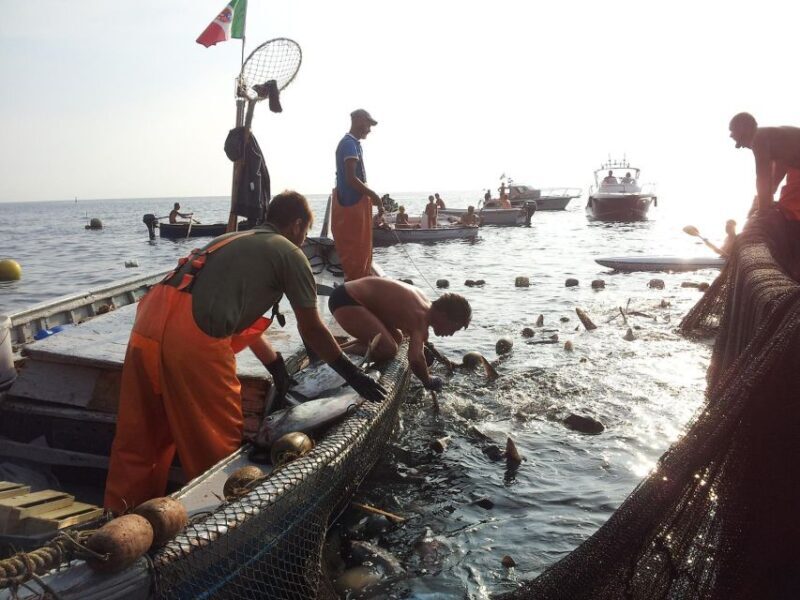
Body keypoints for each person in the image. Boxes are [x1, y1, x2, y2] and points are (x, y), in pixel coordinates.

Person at [104, 191, 386, 513]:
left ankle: (119, 515)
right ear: (297, 225)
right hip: (194, 339)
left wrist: (275, 364)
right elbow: (312, 328)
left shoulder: (230, 240)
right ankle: (216, 521)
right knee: (216, 438)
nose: (304, 239)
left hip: (146, 325)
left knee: (142, 436)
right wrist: (353, 375)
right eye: (305, 232)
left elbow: (229, 310)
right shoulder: (289, 252)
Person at [328, 277, 471, 392]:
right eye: (454, 328)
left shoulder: (424, 302)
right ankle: (330, 355)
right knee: (388, 349)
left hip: (346, 294)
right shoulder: (421, 319)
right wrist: (428, 380)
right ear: (444, 315)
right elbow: (415, 359)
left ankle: (337, 349)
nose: (451, 334)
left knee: (397, 338)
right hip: (346, 302)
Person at [332, 109, 384, 281]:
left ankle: (358, 284)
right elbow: (351, 178)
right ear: (358, 120)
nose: (369, 129)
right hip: (351, 208)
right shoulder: (348, 144)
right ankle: (355, 290)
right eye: (368, 124)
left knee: (361, 252)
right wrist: (374, 195)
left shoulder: (354, 144)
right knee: (355, 253)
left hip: (355, 206)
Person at [729, 112, 800, 216]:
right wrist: (770, 192)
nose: (743, 146)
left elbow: (763, 177)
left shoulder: (759, 138)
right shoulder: (776, 140)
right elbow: (780, 167)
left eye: (741, 142)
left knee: (787, 204)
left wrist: (762, 210)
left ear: (745, 129)